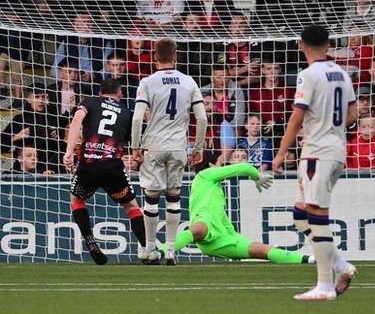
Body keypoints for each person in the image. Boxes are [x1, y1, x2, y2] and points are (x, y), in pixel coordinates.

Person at [272, 25, 358, 301]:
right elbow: (354, 112)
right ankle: (341, 266)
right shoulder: (343, 73)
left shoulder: (308, 75)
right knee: (300, 215)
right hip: (335, 149)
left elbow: (297, 117)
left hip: (317, 152)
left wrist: (280, 152)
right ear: (328, 45)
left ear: (301, 45)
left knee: (317, 215)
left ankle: (324, 286)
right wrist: (331, 129)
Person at [131, 38, 208, 266]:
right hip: (177, 146)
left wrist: (135, 146)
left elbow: (137, 117)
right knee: (174, 198)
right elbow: (202, 118)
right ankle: (172, 250)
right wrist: (198, 147)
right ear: (175, 57)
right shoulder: (189, 82)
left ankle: (151, 249)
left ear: (155, 59)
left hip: (153, 146)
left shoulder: (147, 82)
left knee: (151, 198)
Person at [155, 162, 316, 265]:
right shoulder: (203, 176)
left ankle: (309, 260)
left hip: (219, 240)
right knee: (197, 230)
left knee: (262, 250)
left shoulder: (217, 193)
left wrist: (241, 242)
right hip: (204, 222)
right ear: (212, 165)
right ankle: (161, 252)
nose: (221, 166)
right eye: (218, 164)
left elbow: (228, 228)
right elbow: (243, 167)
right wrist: (257, 176)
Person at [62, 78, 147, 266]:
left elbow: (76, 120)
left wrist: (69, 152)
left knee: (77, 201)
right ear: (120, 93)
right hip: (112, 167)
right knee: (132, 207)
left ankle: (90, 240)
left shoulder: (90, 101)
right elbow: (134, 140)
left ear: (100, 93)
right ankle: (148, 250)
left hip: (88, 165)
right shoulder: (126, 112)